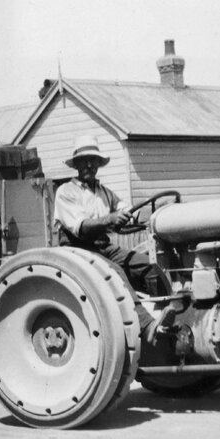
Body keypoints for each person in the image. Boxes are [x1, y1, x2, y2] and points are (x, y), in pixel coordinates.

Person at [53, 135, 161, 336]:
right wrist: (111, 219)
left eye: (93, 160)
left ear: (98, 164)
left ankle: (163, 315)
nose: (89, 165)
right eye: (84, 160)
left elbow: (127, 210)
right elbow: (81, 228)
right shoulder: (66, 192)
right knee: (115, 273)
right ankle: (145, 326)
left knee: (150, 266)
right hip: (79, 250)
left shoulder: (104, 192)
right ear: (76, 164)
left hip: (104, 247)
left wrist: (148, 213)